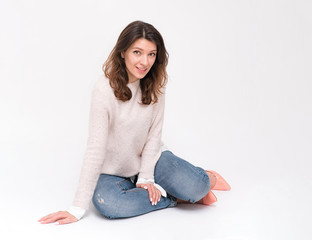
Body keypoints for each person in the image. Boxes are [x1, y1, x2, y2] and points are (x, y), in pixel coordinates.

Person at [38, 20, 231, 225]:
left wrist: (146, 177)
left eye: (151, 54)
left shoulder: (155, 86)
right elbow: (96, 148)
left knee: (196, 187)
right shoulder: (103, 90)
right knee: (109, 204)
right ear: (123, 52)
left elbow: (153, 137)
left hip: (152, 158)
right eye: (137, 52)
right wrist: (77, 208)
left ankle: (208, 177)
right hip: (113, 171)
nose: (145, 62)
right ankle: (173, 198)